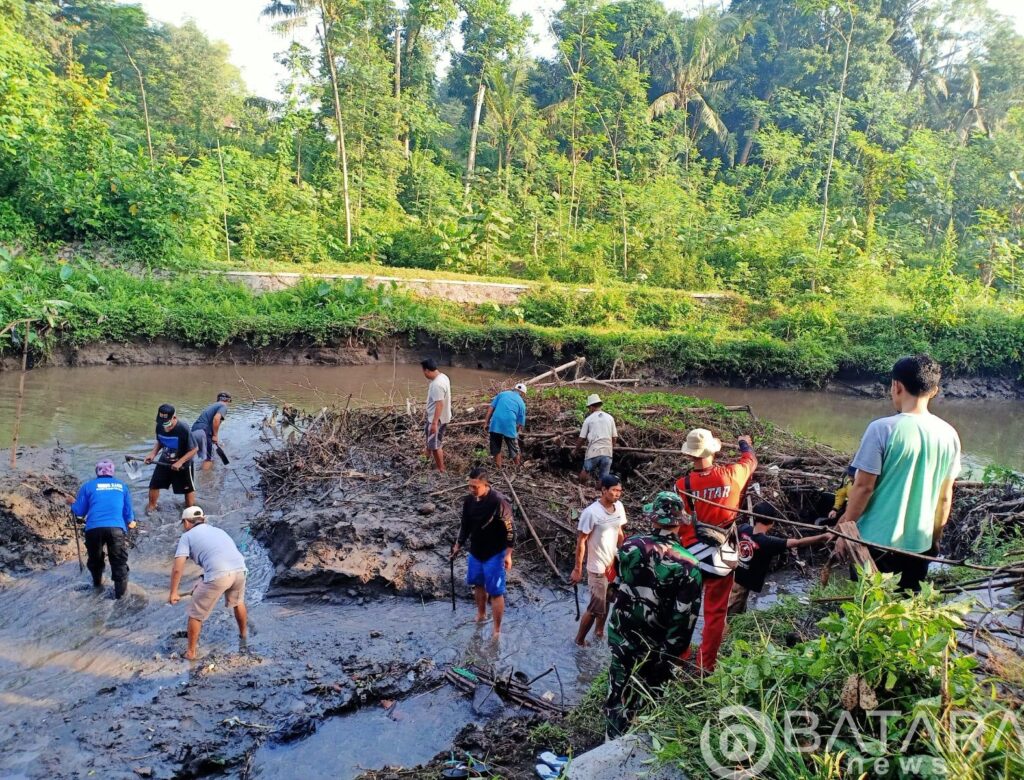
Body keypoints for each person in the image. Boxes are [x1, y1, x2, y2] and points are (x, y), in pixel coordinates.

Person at [838, 354, 961, 593]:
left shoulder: (882, 429)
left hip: (875, 543)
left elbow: (863, 488)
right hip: (919, 543)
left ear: (896, 386)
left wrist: (846, 531)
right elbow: (945, 498)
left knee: (871, 610)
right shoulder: (949, 434)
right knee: (906, 610)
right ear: (934, 390)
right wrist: (935, 538)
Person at [605, 491, 702, 739]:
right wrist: (670, 656)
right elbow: (684, 620)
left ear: (653, 519)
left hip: (622, 638)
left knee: (617, 692)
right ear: (680, 521)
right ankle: (635, 750)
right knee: (648, 702)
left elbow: (614, 587)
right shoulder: (689, 565)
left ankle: (610, 741)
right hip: (657, 649)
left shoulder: (628, 547)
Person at [675, 427, 757, 672]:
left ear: (690, 456)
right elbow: (751, 460)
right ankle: (705, 664)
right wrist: (744, 443)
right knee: (715, 613)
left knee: (684, 608)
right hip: (721, 556)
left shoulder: (683, 484)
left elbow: (683, 519)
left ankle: (680, 655)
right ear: (713, 451)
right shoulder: (733, 474)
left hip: (690, 555)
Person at [168, 506, 248, 660]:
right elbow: (218, 555)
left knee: (195, 614)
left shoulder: (187, 536)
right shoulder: (218, 531)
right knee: (239, 603)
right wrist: (204, 579)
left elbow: (178, 568)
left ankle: (190, 653)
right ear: (203, 519)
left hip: (219, 575)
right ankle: (243, 636)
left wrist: (173, 592)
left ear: (186, 522)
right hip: (240, 570)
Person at [729, 502, 831, 615]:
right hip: (741, 586)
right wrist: (823, 537)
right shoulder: (767, 542)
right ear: (772, 522)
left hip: (731, 577)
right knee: (731, 616)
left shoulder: (743, 529)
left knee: (733, 610)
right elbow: (798, 543)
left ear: (755, 517)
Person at [451, 468, 515, 638]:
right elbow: (465, 524)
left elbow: (510, 530)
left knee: (495, 592)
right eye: (470, 486)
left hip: (495, 553)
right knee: (478, 584)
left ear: (485, 484)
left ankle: (496, 630)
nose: (472, 490)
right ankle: (481, 614)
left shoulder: (498, 502)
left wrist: (508, 554)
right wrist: (458, 544)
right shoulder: (469, 501)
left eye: (476, 486)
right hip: (476, 551)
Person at [570, 474, 627, 646]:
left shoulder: (619, 508)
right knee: (595, 608)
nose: (617, 494)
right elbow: (581, 541)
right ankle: (579, 641)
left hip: (612, 564)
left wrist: (623, 555)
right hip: (597, 567)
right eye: (614, 490)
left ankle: (599, 631)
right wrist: (577, 569)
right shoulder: (591, 513)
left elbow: (619, 532)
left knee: (608, 601)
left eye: (619, 491)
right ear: (604, 490)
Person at [69, 459, 136, 598]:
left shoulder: (88, 486)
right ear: (112, 471)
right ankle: (120, 599)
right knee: (119, 562)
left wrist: (72, 503)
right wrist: (130, 521)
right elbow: (128, 512)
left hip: (94, 529)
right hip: (116, 528)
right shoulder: (122, 486)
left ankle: (97, 586)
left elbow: (80, 511)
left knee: (96, 559)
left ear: (97, 471)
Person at [144, 404, 199, 513]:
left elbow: (194, 449)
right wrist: (153, 454)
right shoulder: (159, 426)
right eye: (162, 422)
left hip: (183, 463)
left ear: (174, 418)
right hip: (165, 459)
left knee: (188, 489)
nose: (165, 426)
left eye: (167, 422)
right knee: (154, 485)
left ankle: (190, 512)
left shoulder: (183, 428)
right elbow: (160, 441)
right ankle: (151, 508)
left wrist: (180, 462)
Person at [574, 394, 618, 484]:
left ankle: (581, 486)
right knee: (604, 477)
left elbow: (582, 438)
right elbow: (614, 437)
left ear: (591, 407)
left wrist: (575, 450)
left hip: (594, 450)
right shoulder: (610, 418)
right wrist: (611, 448)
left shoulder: (589, 419)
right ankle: (599, 492)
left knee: (586, 470)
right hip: (607, 451)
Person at [484, 383, 528, 467]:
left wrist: (486, 422)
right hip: (509, 424)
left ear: (514, 389)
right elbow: (520, 424)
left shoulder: (502, 394)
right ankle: (518, 466)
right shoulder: (522, 403)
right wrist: (516, 433)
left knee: (496, 446)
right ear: (523, 393)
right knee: (513, 448)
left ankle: (498, 467)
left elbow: (491, 408)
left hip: (496, 422)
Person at [421, 358, 452, 473]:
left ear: (427, 370)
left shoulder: (437, 385)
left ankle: (441, 469)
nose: (424, 374)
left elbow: (440, 404)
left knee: (435, 445)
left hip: (436, 420)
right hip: (441, 417)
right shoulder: (443, 377)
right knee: (430, 442)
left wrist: (434, 423)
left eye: (423, 372)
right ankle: (423, 462)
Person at [192, 392, 232, 471]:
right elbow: (216, 419)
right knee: (208, 459)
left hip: (194, 429)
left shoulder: (212, 406)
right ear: (227, 400)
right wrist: (215, 435)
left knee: (195, 454)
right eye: (230, 402)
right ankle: (206, 481)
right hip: (204, 431)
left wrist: (213, 436)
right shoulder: (223, 406)